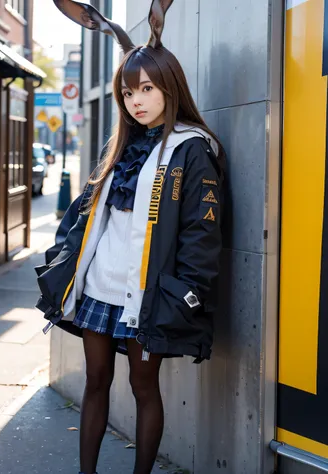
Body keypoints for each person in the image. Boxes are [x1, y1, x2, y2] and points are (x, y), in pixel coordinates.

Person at [35, 1, 226, 473]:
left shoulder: (192, 149)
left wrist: (186, 292)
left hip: (148, 292)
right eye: (127, 92)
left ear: (169, 86)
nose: (136, 100)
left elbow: (202, 232)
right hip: (100, 284)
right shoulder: (119, 144)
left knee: (144, 388)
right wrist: (63, 258)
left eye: (146, 88)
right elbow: (88, 215)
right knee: (95, 380)